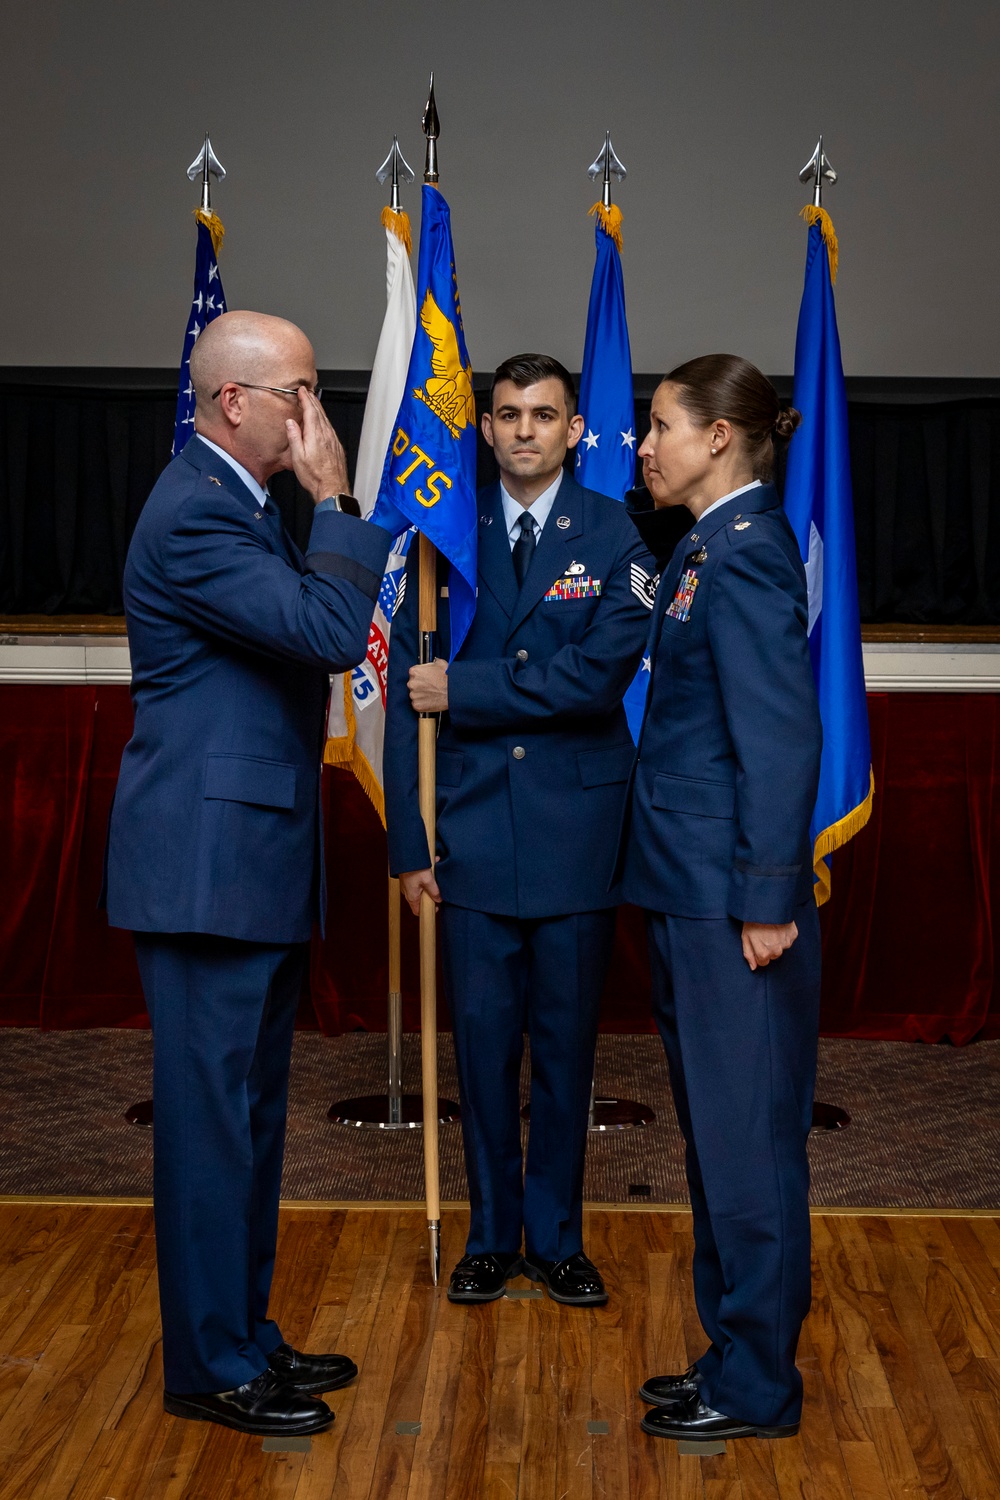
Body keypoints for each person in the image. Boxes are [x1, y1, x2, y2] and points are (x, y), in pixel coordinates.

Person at [103, 311, 393, 1438]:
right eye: (302, 395)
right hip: (204, 870)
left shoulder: (235, 503)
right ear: (235, 403)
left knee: (252, 1121)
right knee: (211, 1127)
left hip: (245, 862)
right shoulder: (196, 517)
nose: (317, 418)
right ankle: (206, 1364)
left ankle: (241, 1336)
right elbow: (327, 630)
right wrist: (338, 502)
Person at [384, 354, 657, 1307]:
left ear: (576, 428)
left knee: (569, 1049)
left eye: (545, 414)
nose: (526, 430)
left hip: (578, 835)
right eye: (508, 414)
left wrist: (468, 688)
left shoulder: (618, 533)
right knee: (485, 1053)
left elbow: (598, 679)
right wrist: (409, 846)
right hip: (470, 834)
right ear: (486, 429)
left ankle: (557, 1238)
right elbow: (400, 705)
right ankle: (492, 1234)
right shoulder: (440, 540)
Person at [620, 354, 822, 1443]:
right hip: (687, 887)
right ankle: (732, 1353)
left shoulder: (744, 554)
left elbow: (781, 739)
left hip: (728, 901)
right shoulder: (707, 541)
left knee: (746, 1144)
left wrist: (765, 898)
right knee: (718, 1141)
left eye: (658, 426)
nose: (641, 445)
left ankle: (755, 1388)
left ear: (718, 440)